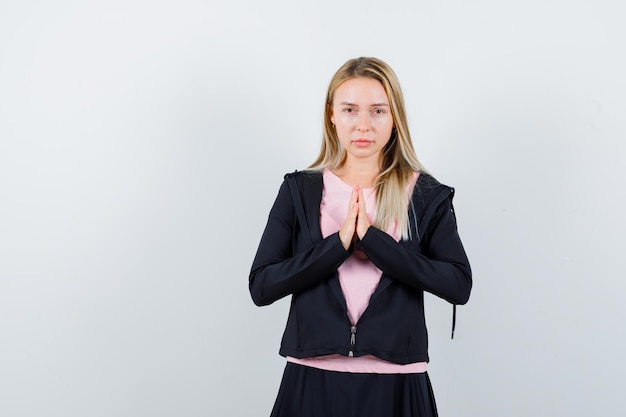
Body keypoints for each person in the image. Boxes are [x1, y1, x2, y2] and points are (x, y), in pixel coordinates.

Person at [249, 57, 472, 417]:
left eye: (378, 111)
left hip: (399, 385)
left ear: (395, 116)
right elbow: (261, 286)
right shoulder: (299, 191)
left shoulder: (426, 194)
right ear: (332, 115)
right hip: (311, 381)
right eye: (350, 109)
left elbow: (458, 285)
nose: (363, 124)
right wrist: (337, 246)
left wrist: (375, 242)